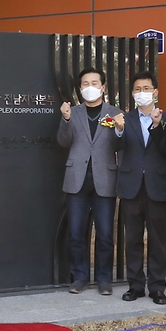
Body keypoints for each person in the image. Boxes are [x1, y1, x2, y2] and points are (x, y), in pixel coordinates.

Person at [56, 68, 121, 295]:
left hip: (105, 180)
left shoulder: (116, 113)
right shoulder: (72, 112)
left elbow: (121, 146)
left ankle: (104, 280)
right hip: (77, 181)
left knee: (104, 234)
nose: (90, 87)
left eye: (94, 82)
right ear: (80, 88)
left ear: (103, 87)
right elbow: (63, 142)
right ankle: (80, 277)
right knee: (76, 233)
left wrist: (121, 128)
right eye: (85, 83)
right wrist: (65, 119)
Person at [115, 71, 166, 304]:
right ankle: (135, 285)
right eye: (137, 89)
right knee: (133, 239)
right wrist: (118, 130)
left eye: (146, 88)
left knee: (157, 239)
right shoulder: (124, 119)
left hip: (158, 185)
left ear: (155, 92)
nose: (142, 93)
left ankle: (157, 287)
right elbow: (115, 146)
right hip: (131, 187)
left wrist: (158, 126)